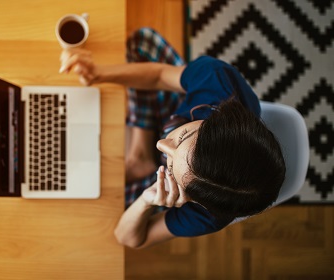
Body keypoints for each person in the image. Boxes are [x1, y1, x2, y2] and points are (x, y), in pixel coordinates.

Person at [59, 28, 286, 249]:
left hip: (160, 183)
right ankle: (141, 155)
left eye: (170, 163)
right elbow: (159, 76)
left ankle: (145, 155)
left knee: (91, 208)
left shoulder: (208, 216)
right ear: (218, 120)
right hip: (173, 109)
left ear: (193, 199)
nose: (162, 144)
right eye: (184, 136)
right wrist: (97, 74)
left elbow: (127, 238)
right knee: (143, 41)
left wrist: (148, 200)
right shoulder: (217, 79)